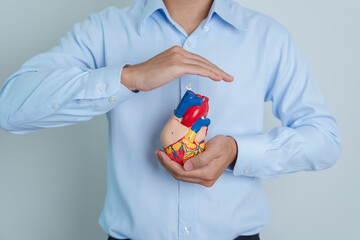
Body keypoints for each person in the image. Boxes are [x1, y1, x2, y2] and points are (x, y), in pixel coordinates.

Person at [0, 0, 341, 239]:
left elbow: (324, 139)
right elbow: (10, 108)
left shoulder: (268, 37)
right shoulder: (104, 30)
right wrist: (128, 76)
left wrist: (239, 152)